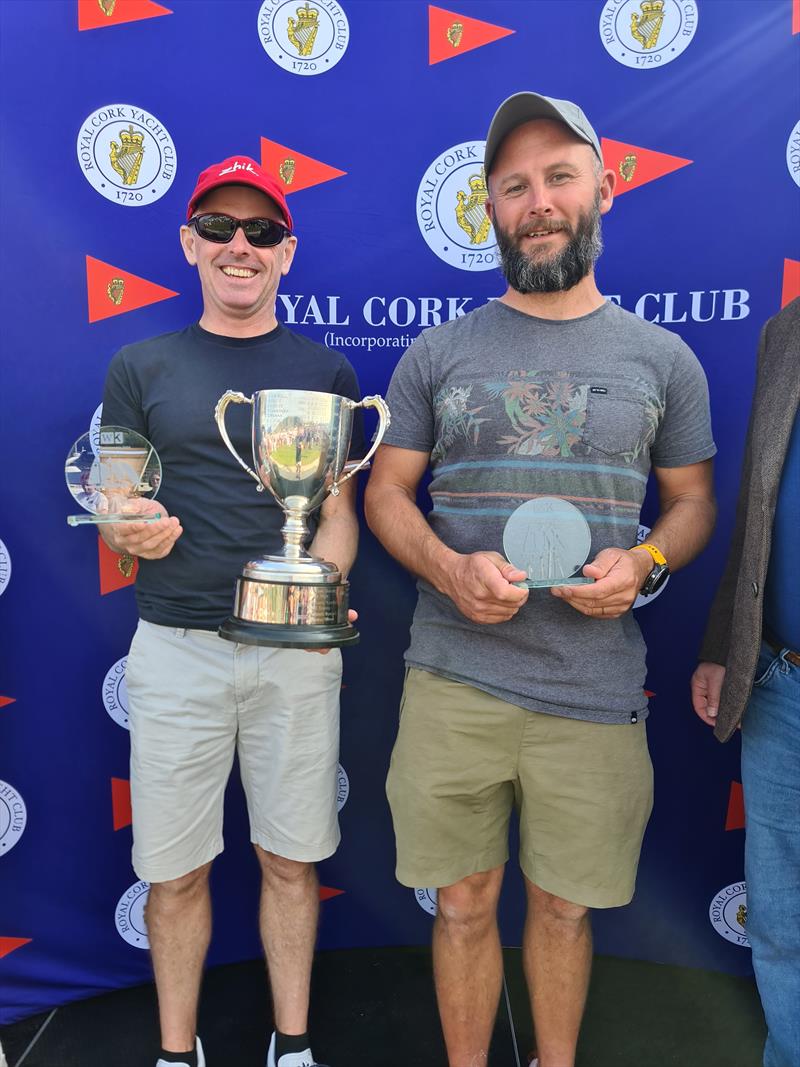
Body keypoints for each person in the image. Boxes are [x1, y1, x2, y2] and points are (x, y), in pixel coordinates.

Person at [364, 92, 717, 1067]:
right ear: (489, 208)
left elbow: (691, 502)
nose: (537, 201)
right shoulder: (439, 351)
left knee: (562, 910)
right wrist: (443, 562)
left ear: (603, 185)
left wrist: (643, 560)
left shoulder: (661, 358)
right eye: (512, 185)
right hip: (452, 679)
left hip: (592, 692)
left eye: (558, 174)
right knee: (464, 904)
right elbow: (386, 491)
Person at [100, 156, 364, 1067]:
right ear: (189, 244)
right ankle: (180, 1052)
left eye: (260, 232)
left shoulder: (323, 369)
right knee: (174, 873)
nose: (239, 246)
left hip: (294, 653)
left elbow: (336, 513)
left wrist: (315, 594)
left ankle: (291, 1046)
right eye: (219, 228)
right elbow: (112, 496)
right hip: (176, 650)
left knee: (293, 860)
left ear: (287, 253)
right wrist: (127, 527)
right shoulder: (140, 365)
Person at [691, 298, 800, 1067]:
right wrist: (723, 640)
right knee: (782, 920)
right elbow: (757, 511)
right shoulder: (786, 332)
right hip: (779, 680)